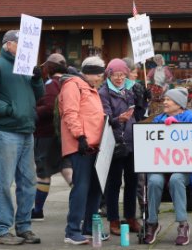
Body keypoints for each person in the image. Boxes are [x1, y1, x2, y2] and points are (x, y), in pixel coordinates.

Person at [0, 30, 43, 245]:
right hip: (7, 132)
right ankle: (1, 229)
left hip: (26, 130)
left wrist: (36, 79)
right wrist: (9, 110)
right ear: (8, 45)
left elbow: (39, 96)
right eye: (20, 43)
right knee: (5, 183)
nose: (25, 47)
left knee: (28, 182)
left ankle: (24, 226)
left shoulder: (25, 66)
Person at [144, 88, 192, 246]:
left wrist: (180, 125)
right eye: (164, 99)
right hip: (160, 166)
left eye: (168, 100)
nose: (164, 102)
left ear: (179, 104)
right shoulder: (159, 119)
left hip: (183, 167)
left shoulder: (189, 116)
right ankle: (152, 223)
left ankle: (183, 224)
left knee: (176, 179)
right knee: (154, 181)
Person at [59, 56, 106, 245]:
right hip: (81, 145)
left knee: (95, 188)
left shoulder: (90, 88)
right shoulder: (73, 85)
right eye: (99, 75)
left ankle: (89, 228)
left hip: (94, 145)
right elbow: (70, 112)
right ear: (91, 73)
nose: (100, 79)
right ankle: (72, 230)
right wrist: (80, 136)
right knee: (82, 186)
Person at [99, 59, 140, 235]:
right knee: (114, 183)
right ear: (109, 74)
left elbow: (139, 114)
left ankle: (131, 218)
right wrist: (118, 120)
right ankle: (113, 220)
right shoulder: (103, 92)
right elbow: (105, 118)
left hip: (132, 141)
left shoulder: (130, 89)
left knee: (132, 182)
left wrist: (144, 98)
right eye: (115, 75)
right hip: (114, 142)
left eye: (122, 74)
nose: (119, 78)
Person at [31, 54, 73, 222]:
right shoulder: (69, 82)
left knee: (43, 173)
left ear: (48, 68)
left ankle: (38, 211)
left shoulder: (50, 84)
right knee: (67, 169)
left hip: (46, 135)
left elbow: (48, 107)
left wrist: (32, 112)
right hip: (64, 135)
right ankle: (85, 205)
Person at [123, 58, 149, 122]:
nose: (136, 75)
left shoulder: (137, 87)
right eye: (133, 72)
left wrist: (144, 99)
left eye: (136, 72)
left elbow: (141, 115)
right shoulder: (117, 89)